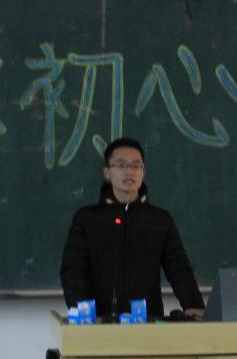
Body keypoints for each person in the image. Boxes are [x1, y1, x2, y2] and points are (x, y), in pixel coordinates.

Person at [59, 137, 205, 320]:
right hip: (99, 322)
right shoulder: (87, 219)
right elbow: (73, 271)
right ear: (107, 172)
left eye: (136, 166)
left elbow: (179, 269)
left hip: (147, 323)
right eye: (121, 165)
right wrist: (83, 311)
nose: (129, 171)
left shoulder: (160, 220)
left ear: (143, 172)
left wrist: (194, 305)